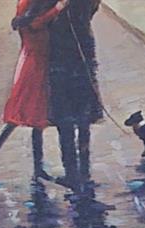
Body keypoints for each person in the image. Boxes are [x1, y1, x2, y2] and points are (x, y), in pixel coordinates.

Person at [0, 0, 68, 182]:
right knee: (21, 116)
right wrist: (59, 7)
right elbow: (37, 23)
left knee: (37, 120)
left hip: (33, 63)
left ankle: (38, 168)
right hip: (34, 68)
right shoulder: (31, 8)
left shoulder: (25, 4)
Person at [47, 0, 103, 192]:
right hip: (84, 54)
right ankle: (84, 172)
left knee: (66, 119)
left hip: (61, 58)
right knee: (83, 117)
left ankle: (72, 173)